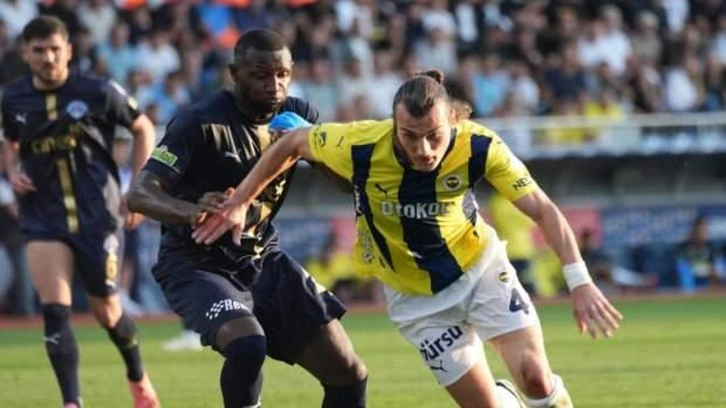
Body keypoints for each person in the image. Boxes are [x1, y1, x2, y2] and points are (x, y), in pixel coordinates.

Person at [194, 70, 625, 408]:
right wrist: (240, 201)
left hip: (481, 270)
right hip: (417, 302)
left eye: (434, 135)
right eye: (410, 136)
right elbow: (291, 143)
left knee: (536, 378)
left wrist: (580, 281)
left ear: (453, 120)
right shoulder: (360, 143)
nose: (424, 149)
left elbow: (543, 209)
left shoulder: (480, 146)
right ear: (393, 125)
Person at [127, 29, 367, 408]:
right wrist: (193, 211)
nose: (275, 84)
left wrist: (312, 146)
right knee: (247, 345)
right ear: (235, 74)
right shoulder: (200, 123)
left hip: (262, 259)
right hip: (197, 264)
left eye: (282, 74)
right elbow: (139, 194)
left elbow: (345, 185)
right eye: (261, 75)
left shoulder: (299, 115)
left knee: (349, 373)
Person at [0, 16, 159, 408]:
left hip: (98, 216)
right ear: (26, 54)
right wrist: (13, 170)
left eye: (55, 49)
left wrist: (138, 188)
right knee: (55, 310)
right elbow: (10, 142)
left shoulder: (98, 91)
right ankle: (72, 401)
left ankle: (137, 375)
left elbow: (143, 128)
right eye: (39, 51)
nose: (48, 58)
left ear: (68, 51)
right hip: (43, 216)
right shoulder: (12, 98)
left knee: (108, 312)